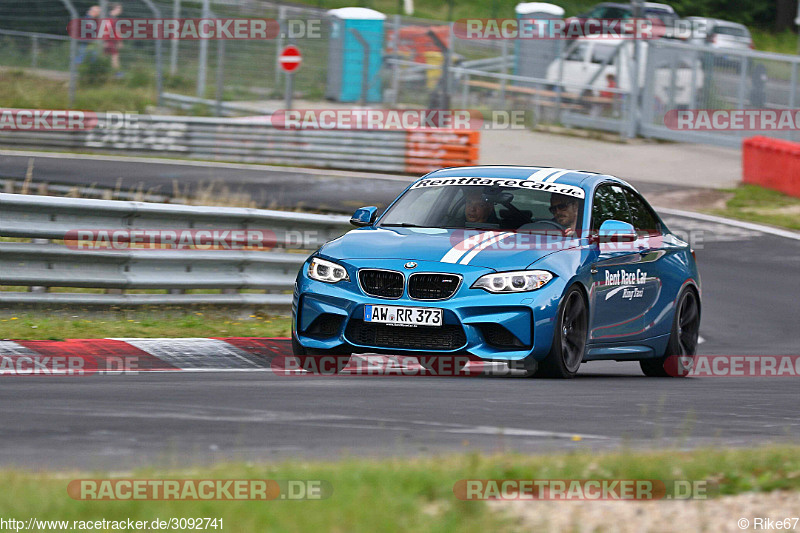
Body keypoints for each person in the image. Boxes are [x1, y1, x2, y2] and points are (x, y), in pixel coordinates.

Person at [103, 3, 123, 72]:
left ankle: (106, 71)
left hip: (111, 41)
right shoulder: (109, 18)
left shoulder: (114, 18)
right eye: (119, 9)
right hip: (110, 41)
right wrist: (105, 41)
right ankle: (116, 72)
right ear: (115, 9)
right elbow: (106, 30)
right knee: (114, 57)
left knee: (108, 56)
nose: (120, 10)